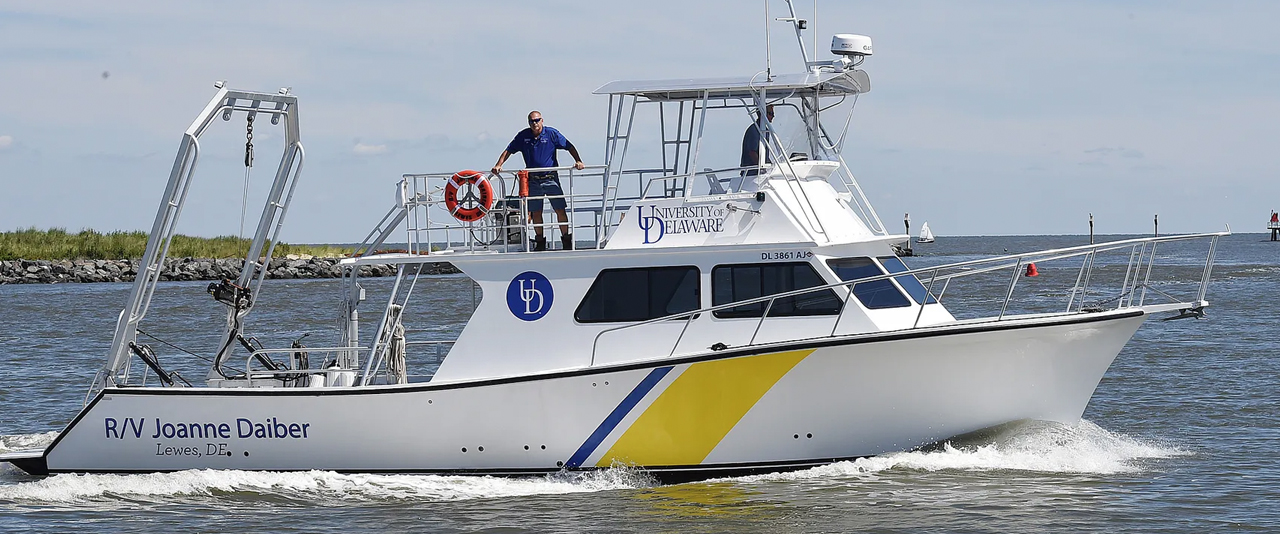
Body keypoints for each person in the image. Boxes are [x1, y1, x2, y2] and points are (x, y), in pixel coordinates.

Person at [492, 111, 585, 251]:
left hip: (550, 178)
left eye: (537, 120)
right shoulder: (523, 136)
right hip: (533, 180)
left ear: (542, 120)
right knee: (536, 212)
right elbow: (508, 150)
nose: (535, 123)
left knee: (560, 209)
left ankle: (566, 240)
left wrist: (578, 160)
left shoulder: (551, 134)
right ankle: (540, 242)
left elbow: (569, 146)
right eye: (532, 121)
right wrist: (499, 164)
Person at [740, 104, 775, 175]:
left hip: (759, 173)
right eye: (770, 113)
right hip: (751, 174)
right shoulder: (754, 130)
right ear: (763, 114)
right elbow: (752, 153)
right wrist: (763, 169)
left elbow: (765, 156)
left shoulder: (765, 131)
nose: (773, 116)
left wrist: (773, 167)